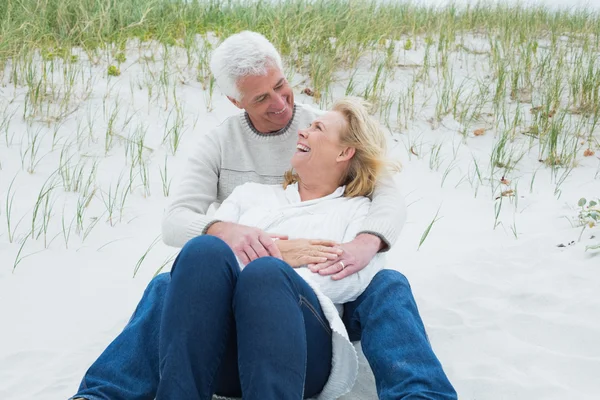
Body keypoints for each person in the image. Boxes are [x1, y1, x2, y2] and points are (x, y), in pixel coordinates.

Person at [71, 31, 456, 400]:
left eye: (281, 84)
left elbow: (384, 192)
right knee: (182, 272)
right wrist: (246, 239)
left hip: (305, 321)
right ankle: (105, 394)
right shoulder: (234, 170)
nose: (281, 104)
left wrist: (367, 241)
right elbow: (176, 222)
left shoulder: (333, 146)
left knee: (384, 282)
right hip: (231, 315)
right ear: (236, 101)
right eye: (260, 97)